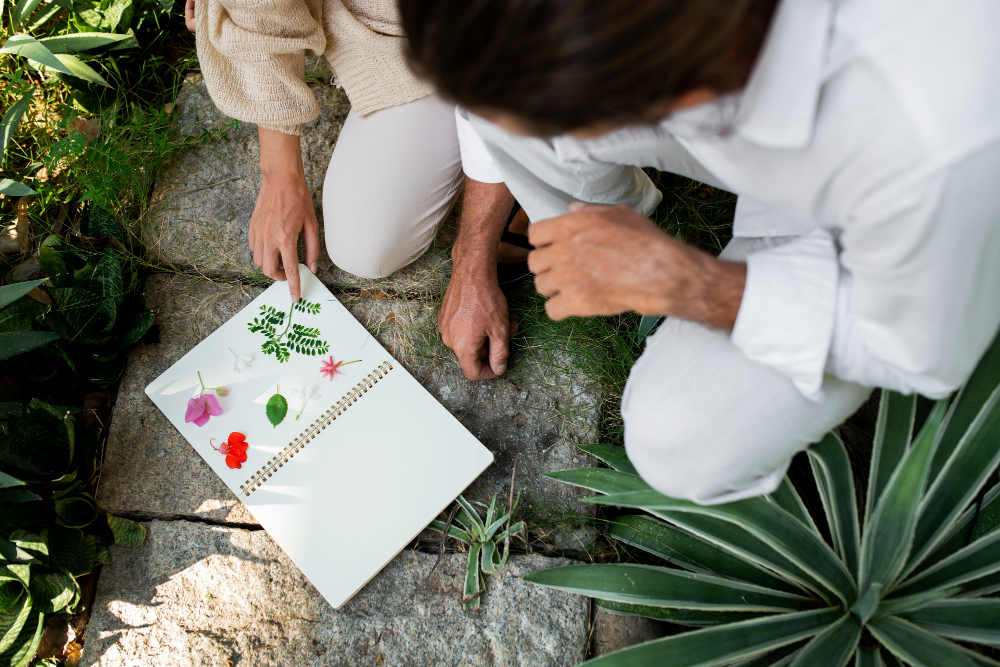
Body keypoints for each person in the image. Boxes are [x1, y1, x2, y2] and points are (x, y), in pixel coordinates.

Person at [397, 0, 1000, 504]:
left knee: (677, 441)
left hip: (860, 227)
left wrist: (696, 286)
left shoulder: (939, 137)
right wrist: (471, 256)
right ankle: (600, 235)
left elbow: (917, 352)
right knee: (509, 95)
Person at [183, 0, 530, 328]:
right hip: (387, 28)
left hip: (506, 27)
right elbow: (263, 11)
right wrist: (279, 175)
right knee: (364, 251)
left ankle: (531, 165)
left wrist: (473, 260)